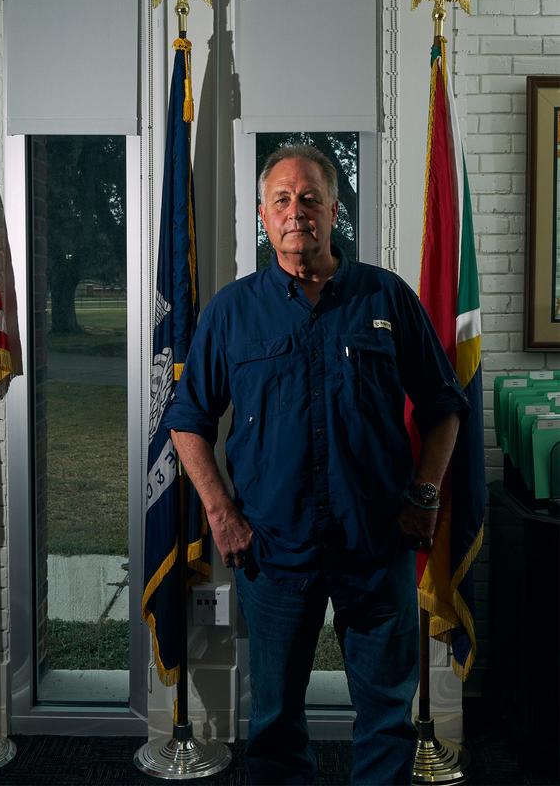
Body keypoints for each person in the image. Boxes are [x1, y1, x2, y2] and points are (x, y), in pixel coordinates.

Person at [162, 144, 466, 785]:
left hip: (377, 544)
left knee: (386, 718)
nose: (296, 211)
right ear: (263, 218)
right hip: (272, 551)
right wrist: (220, 514)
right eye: (282, 200)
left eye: (309, 199)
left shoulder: (386, 297)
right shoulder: (232, 312)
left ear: (334, 210)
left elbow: (444, 407)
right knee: (274, 721)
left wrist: (425, 495)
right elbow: (187, 421)